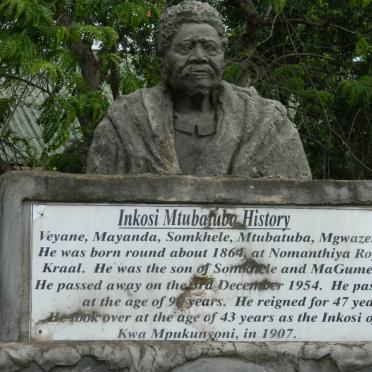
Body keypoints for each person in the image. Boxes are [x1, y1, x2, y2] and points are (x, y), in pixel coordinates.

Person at [86, 0, 311, 179]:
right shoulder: (127, 121)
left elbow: (298, 209)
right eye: (185, 48)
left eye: (210, 48)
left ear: (223, 57)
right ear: (163, 58)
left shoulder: (266, 123)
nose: (199, 58)